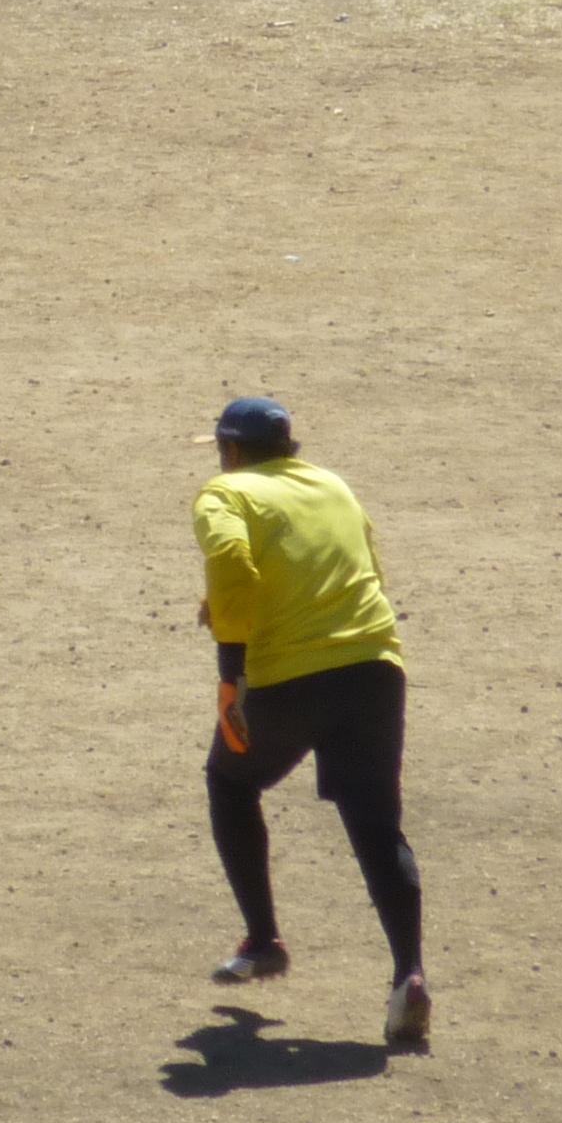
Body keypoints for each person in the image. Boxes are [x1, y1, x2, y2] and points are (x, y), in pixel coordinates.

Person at [196, 394, 429, 1049]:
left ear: (231, 450)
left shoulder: (226, 492)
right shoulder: (333, 484)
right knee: (378, 828)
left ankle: (264, 938)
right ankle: (408, 976)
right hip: (374, 666)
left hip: (288, 680)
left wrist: (229, 676)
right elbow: (365, 568)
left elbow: (232, 566)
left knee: (231, 783)